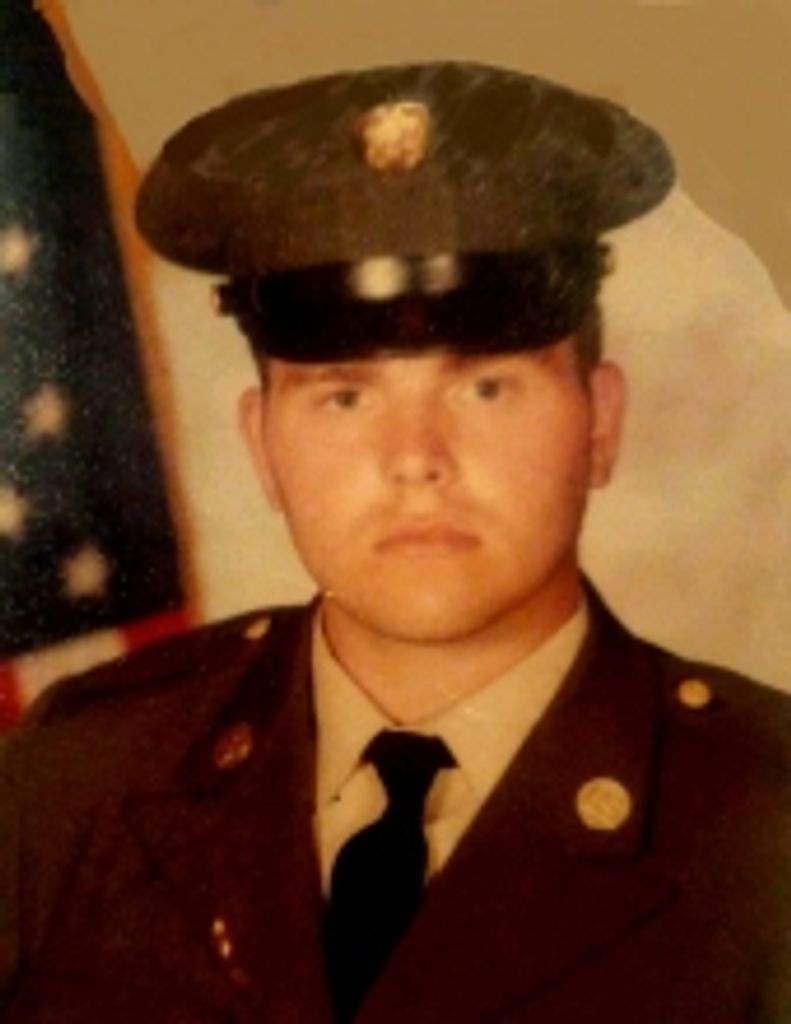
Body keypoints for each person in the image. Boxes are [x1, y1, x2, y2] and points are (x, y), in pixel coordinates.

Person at [1, 61, 790, 1024]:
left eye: (486, 387)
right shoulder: (75, 782)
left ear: (600, 423)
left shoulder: (765, 822)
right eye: (344, 397)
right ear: (261, 446)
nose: (415, 458)